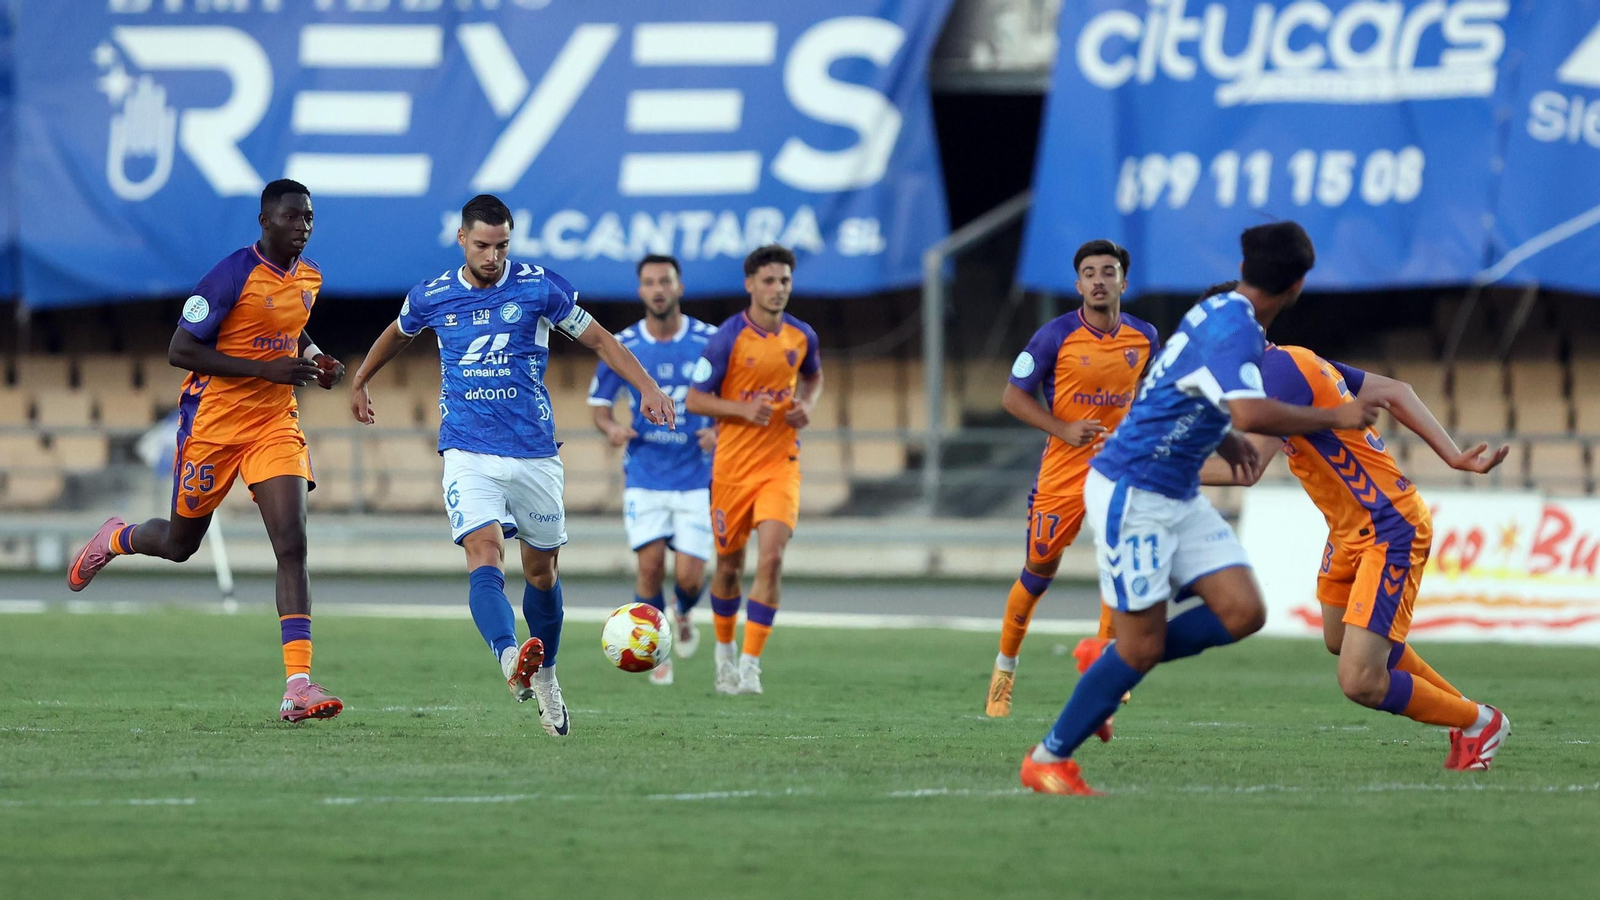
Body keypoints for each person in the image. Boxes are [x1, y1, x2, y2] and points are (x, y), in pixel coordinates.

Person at [1019, 221, 1384, 795]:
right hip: (1133, 492)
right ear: (1299, 284)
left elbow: (1178, 384)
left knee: (1243, 612)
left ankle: (1110, 659)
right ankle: (1049, 757)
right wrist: (1334, 416)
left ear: (1245, 269)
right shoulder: (1237, 330)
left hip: (1174, 490)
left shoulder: (1216, 310)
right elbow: (1249, 412)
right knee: (1144, 646)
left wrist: (1218, 436)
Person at [347, 194, 672, 736]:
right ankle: (507, 657)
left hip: (534, 453)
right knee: (484, 549)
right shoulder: (431, 295)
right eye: (482, 245)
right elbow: (397, 333)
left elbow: (598, 339)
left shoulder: (540, 286)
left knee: (541, 572)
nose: (493, 256)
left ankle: (544, 676)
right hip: (467, 450)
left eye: (501, 246)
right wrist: (360, 380)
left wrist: (646, 386)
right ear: (461, 240)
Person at [67, 179, 348, 723]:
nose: (303, 226)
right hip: (213, 426)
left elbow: (293, 326)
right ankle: (116, 537)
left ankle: (298, 686)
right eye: (292, 218)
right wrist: (263, 369)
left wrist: (317, 357)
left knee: (291, 543)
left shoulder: (309, 278)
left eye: (309, 217)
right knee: (178, 544)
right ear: (265, 221)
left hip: (273, 422)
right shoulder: (229, 275)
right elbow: (180, 348)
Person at [1196, 316, 1510, 770]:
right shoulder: (1295, 362)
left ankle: (1479, 720)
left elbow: (1246, 468)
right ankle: (1464, 714)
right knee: (1340, 637)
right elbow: (1395, 391)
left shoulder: (1277, 373)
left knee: (1361, 680)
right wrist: (1452, 455)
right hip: (1350, 530)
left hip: (1388, 525)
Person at [987, 240, 1158, 721]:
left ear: (1124, 282)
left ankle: (1106, 671)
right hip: (1061, 472)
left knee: (1117, 561)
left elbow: (1151, 395)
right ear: (1078, 284)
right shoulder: (1053, 336)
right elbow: (1012, 397)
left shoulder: (1145, 336)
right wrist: (1063, 428)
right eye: (1089, 272)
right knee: (1038, 572)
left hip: (1116, 469)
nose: (1099, 279)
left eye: (1109, 271)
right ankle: (1004, 670)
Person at [686, 245, 822, 695]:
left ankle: (750, 664)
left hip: (780, 465)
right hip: (731, 469)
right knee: (728, 566)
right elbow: (695, 399)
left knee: (773, 558)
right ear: (750, 285)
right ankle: (723, 652)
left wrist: (807, 406)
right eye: (769, 280)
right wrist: (742, 410)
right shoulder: (727, 338)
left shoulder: (802, 336)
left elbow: (814, 377)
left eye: (784, 280)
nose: (778, 288)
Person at [589, 254, 717, 686]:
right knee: (649, 567)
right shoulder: (623, 344)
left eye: (665, 280)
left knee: (689, 577)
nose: (658, 288)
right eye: (649, 282)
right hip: (645, 472)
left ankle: (682, 612)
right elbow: (599, 405)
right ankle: (653, 649)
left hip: (697, 475)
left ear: (679, 287)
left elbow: (736, 395)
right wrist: (611, 429)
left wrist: (721, 429)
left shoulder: (710, 340)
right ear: (640, 290)